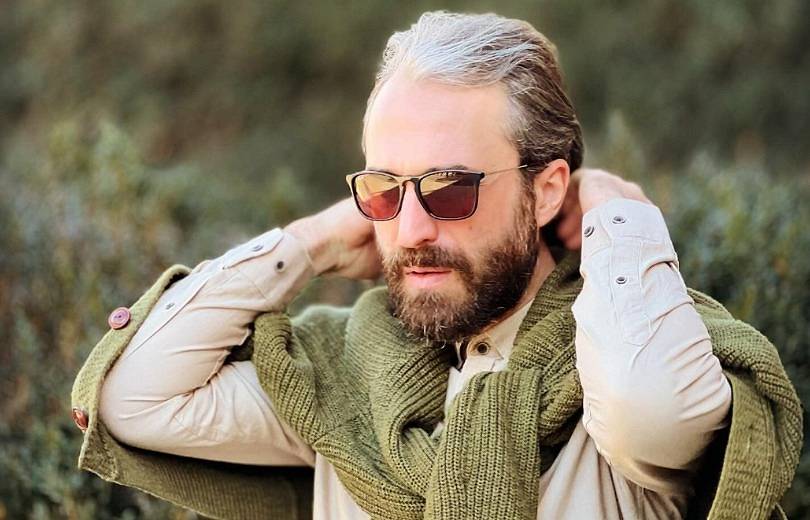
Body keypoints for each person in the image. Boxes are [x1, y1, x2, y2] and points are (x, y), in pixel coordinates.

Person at [71, 10, 801, 520]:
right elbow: (133, 398)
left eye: (450, 188)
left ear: (547, 191)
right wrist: (313, 242)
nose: (413, 229)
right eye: (385, 189)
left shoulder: (621, 362)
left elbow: (652, 405)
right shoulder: (342, 383)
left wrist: (617, 215)